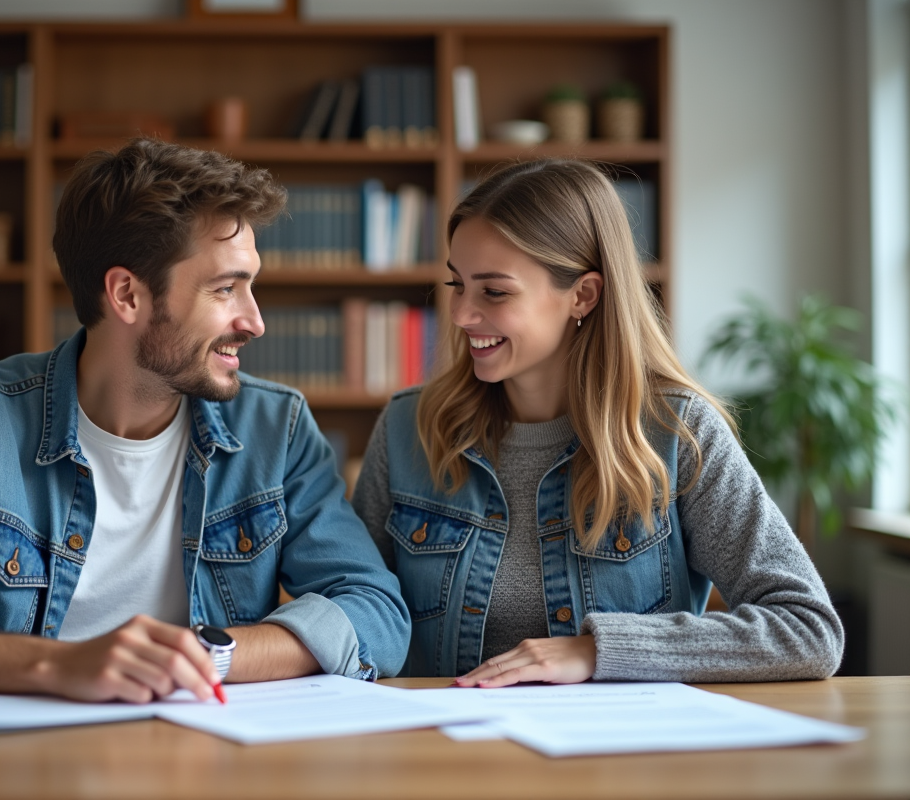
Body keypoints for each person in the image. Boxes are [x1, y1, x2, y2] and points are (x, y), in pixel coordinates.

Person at [0, 139, 410, 702]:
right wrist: (57, 665)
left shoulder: (275, 429)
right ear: (126, 295)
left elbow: (376, 611)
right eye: (226, 289)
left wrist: (203, 657)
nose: (255, 321)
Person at [351, 159, 843, 685]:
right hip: (441, 755)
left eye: (494, 291)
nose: (461, 313)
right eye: (457, 284)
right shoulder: (409, 428)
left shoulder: (677, 432)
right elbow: (357, 606)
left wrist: (599, 651)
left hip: (619, 759)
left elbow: (808, 630)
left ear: (582, 295)